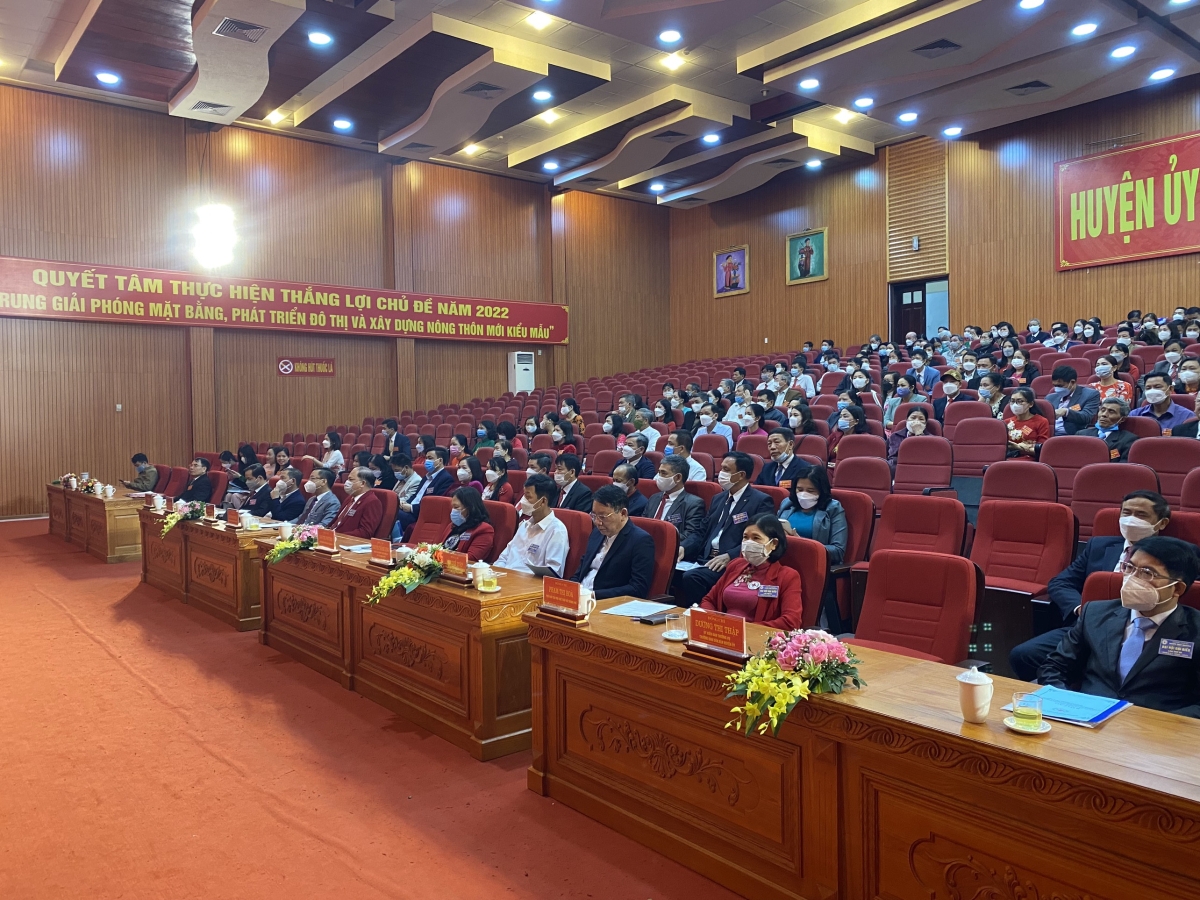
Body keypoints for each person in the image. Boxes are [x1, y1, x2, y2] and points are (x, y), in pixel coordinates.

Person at [1010, 491, 1171, 679]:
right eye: (1126, 513)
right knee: (1023, 655)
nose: (1131, 520)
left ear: (1161, 523)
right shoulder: (1099, 546)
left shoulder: (1174, 555)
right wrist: (1081, 608)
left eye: (1141, 515)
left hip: (1141, 631)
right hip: (1088, 627)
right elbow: (1060, 582)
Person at [1036, 535, 1200, 718]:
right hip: (1086, 718)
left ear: (1177, 589)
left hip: (1155, 727)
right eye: (1129, 568)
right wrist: (1067, 705)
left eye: (1147, 573)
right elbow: (1054, 667)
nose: (1132, 578)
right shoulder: (1095, 613)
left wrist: (1159, 724)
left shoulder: (1195, 630)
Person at [678, 453, 774, 606]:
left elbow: (759, 539)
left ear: (741, 475)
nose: (720, 474)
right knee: (673, 571)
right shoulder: (718, 498)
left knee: (693, 578)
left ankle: (702, 613)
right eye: (721, 468)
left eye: (726, 469)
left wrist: (730, 556)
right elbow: (702, 531)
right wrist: (684, 547)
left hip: (732, 562)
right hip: (705, 558)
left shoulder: (761, 501)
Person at [697, 514, 802, 630]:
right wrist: (717, 622)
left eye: (756, 538)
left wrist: (743, 629)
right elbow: (708, 600)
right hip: (723, 632)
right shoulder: (736, 565)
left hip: (755, 636)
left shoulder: (787, 576)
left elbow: (791, 621)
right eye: (745, 537)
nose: (748, 543)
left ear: (773, 544)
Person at [573, 485, 655, 600]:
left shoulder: (641, 541)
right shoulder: (596, 533)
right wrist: (570, 589)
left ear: (623, 514)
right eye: (594, 515)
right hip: (580, 598)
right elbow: (580, 572)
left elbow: (638, 588)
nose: (597, 522)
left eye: (603, 517)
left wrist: (593, 595)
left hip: (605, 602)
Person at [493, 474, 569, 577]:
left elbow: (552, 573)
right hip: (505, 577)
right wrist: (495, 574)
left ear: (543, 501)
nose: (523, 501)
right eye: (523, 496)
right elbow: (504, 557)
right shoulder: (524, 525)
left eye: (528, 497)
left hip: (528, 583)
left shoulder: (557, 531)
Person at [646, 456, 707, 561]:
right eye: (659, 472)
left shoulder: (694, 503)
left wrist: (660, 541)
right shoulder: (654, 498)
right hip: (644, 548)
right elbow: (643, 524)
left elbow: (691, 534)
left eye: (663, 473)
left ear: (678, 478)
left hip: (669, 551)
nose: (659, 477)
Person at [394, 448, 454, 537]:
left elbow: (434, 504)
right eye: (426, 458)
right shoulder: (426, 477)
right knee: (390, 508)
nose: (426, 461)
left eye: (430, 458)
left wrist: (411, 508)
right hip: (410, 510)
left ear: (440, 461)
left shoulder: (446, 479)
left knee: (391, 513)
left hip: (419, 514)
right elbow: (416, 496)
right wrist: (405, 503)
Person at [439, 487, 494, 561]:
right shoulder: (452, 526)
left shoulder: (484, 529)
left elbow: (470, 559)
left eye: (456, 507)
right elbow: (439, 548)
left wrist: (441, 557)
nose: (453, 511)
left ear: (470, 508)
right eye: (452, 507)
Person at [330, 468, 382, 538]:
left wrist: (338, 536)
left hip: (345, 540)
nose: (347, 482)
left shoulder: (372, 501)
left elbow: (365, 532)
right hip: (331, 536)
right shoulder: (350, 497)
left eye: (351, 479)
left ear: (362, 483)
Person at [1047, 365, 1100, 435]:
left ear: (1072, 382)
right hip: (1049, 435)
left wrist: (1066, 412)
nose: (1056, 389)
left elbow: (1086, 417)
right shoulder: (1050, 398)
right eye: (1055, 385)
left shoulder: (1090, 395)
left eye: (1060, 386)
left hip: (1072, 435)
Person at [1004, 387, 1050, 458]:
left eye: (1020, 401)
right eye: (1012, 401)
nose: (1015, 404)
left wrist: (1018, 448)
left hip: (1030, 459)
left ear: (1030, 404)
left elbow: (1042, 450)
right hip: (1008, 458)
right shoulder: (1006, 422)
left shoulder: (1041, 421)